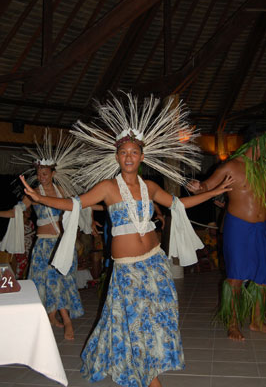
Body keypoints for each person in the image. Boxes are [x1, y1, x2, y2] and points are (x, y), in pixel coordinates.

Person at [20, 93, 233, 387]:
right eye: (124, 153)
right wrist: (38, 197)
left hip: (155, 262)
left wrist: (215, 191)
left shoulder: (150, 186)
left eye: (134, 152)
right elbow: (75, 204)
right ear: (117, 157)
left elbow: (179, 205)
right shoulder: (108, 187)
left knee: (161, 314)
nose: (129, 157)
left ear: (142, 156)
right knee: (136, 319)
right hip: (128, 268)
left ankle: (150, 364)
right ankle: (149, 376)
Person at [0, 129, 100, 340]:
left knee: (61, 282)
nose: (41, 177)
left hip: (62, 245)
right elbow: (16, 212)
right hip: (43, 245)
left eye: (45, 173)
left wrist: (95, 217)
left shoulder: (63, 191)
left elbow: (82, 206)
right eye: (39, 173)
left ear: (53, 173)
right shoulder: (33, 194)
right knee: (45, 284)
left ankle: (67, 322)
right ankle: (53, 317)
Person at [188, 127, 266, 341]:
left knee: (263, 278)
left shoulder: (263, 168)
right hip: (239, 227)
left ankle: (257, 321)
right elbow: (207, 186)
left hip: (262, 228)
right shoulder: (231, 165)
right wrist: (198, 187)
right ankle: (232, 324)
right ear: (257, 141)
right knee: (236, 278)